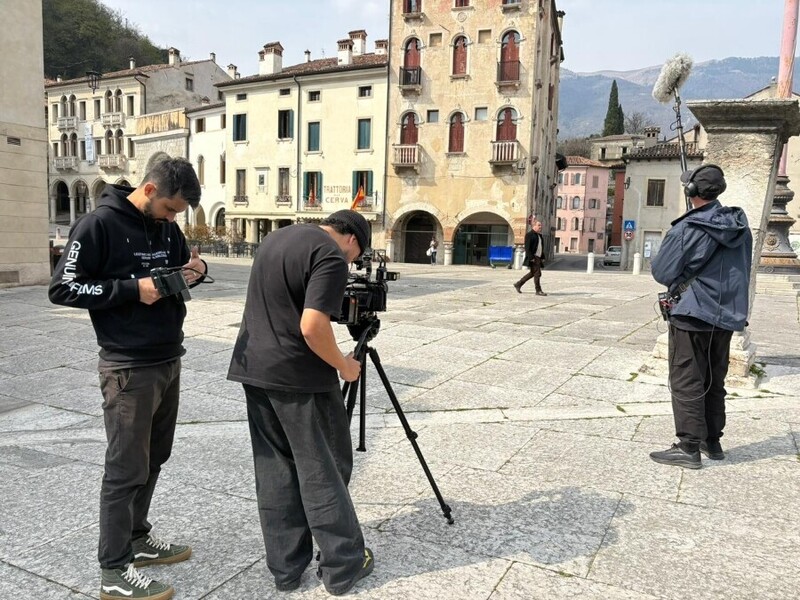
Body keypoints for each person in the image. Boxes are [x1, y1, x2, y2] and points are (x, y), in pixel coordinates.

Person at [48, 157, 206, 600]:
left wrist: (193, 273)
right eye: (171, 209)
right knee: (125, 469)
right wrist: (133, 289)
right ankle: (114, 570)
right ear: (150, 190)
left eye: (178, 214)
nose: (173, 220)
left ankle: (137, 537)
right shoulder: (97, 225)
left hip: (168, 356)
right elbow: (63, 288)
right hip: (127, 366)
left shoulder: (167, 228)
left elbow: (176, 273)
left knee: (154, 457)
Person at [228, 209, 374, 595]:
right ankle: (343, 566)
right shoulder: (330, 254)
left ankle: (286, 570)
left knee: (275, 471)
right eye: (355, 257)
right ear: (352, 239)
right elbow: (312, 326)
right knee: (322, 468)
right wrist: (344, 365)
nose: (350, 264)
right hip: (299, 378)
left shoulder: (276, 238)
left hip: (253, 369)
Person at [649, 164, 752, 469]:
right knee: (714, 378)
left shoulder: (688, 228)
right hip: (726, 314)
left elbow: (662, 271)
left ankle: (688, 446)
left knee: (687, 378)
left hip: (693, 313)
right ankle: (712, 441)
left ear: (691, 191)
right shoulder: (739, 226)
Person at [513, 220, 547, 296]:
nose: (540, 227)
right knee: (537, 274)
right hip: (533, 257)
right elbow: (527, 248)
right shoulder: (529, 235)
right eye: (539, 225)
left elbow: (540, 248)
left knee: (533, 273)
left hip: (538, 257)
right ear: (534, 226)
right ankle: (538, 290)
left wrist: (542, 257)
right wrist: (531, 257)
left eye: (540, 225)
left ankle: (518, 284)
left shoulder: (540, 236)